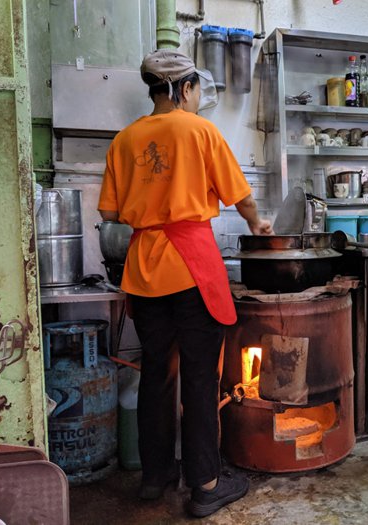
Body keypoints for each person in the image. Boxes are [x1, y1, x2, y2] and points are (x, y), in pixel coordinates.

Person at [98, 49, 272, 517]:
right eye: (196, 90)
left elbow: (110, 213)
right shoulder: (199, 130)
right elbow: (240, 196)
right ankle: (206, 485)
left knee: (157, 373)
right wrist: (257, 223)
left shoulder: (124, 140)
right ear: (185, 88)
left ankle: (154, 477)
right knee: (200, 376)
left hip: (144, 270)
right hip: (191, 265)